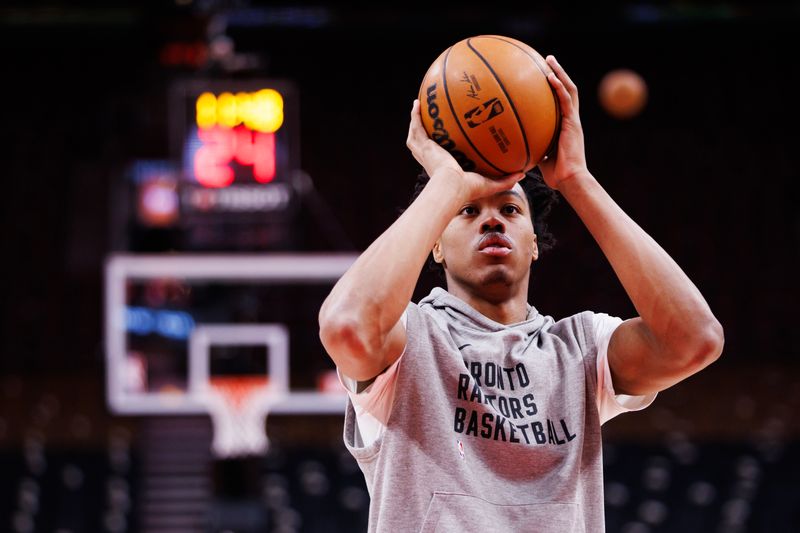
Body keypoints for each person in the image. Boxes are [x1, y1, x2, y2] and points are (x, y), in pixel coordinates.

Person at [318, 55, 724, 532]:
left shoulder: (580, 350)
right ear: (435, 247)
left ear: (534, 244)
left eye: (511, 209)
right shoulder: (409, 339)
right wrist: (446, 183)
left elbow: (695, 340)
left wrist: (578, 181)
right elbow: (346, 326)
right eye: (467, 212)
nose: (492, 219)